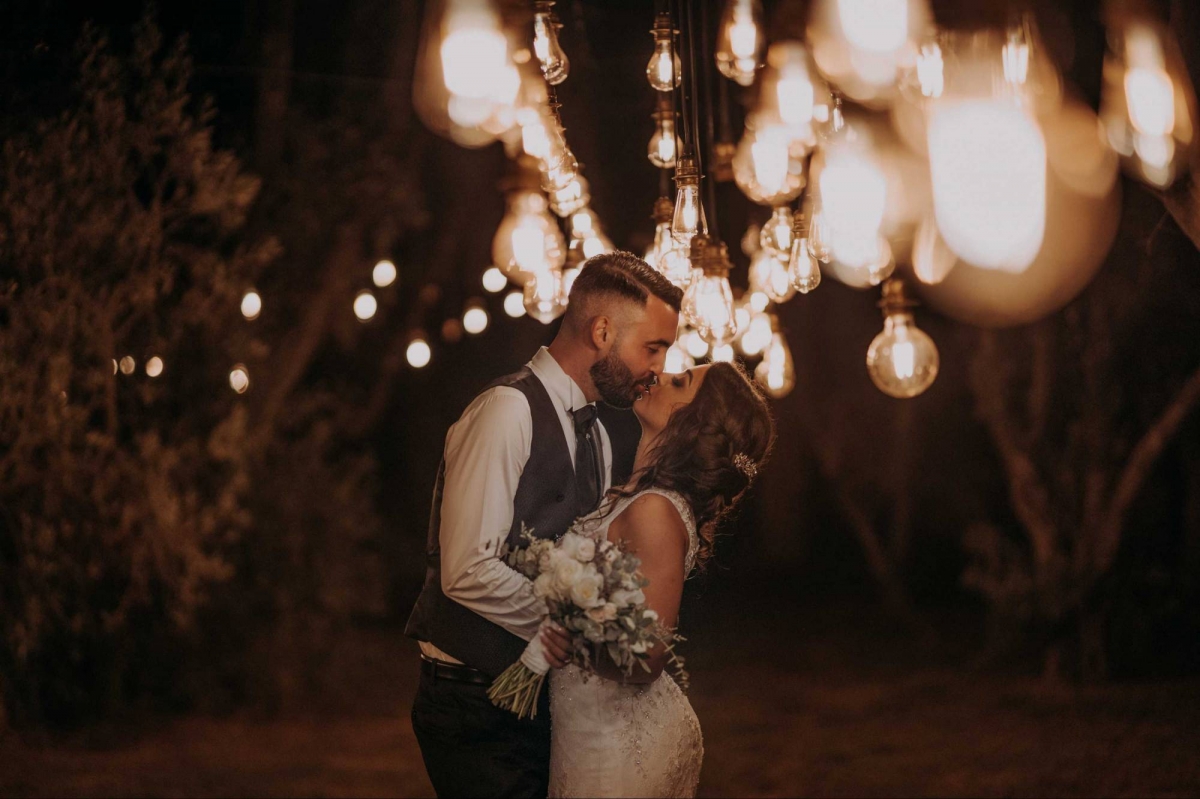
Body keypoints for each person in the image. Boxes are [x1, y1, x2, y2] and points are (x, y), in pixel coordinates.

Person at [405, 251, 683, 798]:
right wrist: (577, 626)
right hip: (472, 700)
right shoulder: (505, 411)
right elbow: (465, 568)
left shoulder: (598, 436)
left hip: (545, 700)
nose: (659, 366)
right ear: (602, 331)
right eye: (653, 347)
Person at [547, 360, 775, 798]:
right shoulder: (635, 496)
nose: (661, 375)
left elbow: (647, 658)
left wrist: (567, 638)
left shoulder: (655, 511)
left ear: (695, 423)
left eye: (680, 382)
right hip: (592, 725)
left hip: (613, 742)